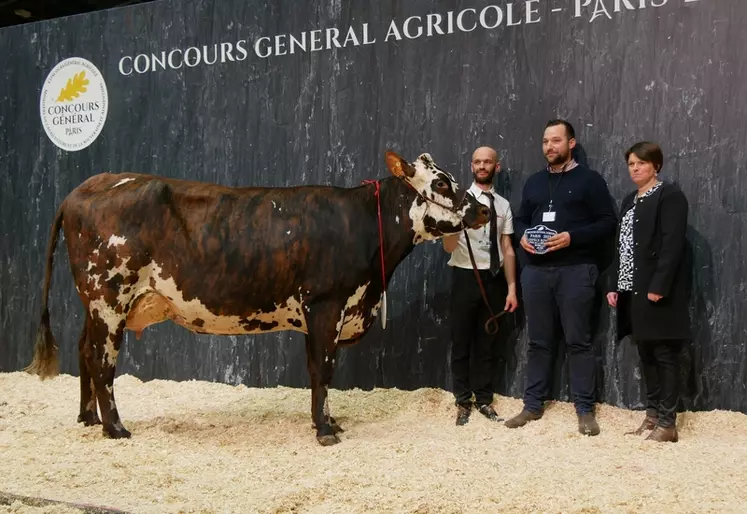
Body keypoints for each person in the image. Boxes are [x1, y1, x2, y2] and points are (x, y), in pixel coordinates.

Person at [505, 119, 616, 435]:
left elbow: (608, 222)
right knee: (538, 343)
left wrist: (573, 237)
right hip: (536, 273)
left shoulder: (590, 180)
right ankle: (532, 405)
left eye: (555, 141)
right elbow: (522, 219)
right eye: (544, 141)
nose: (549, 147)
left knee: (578, 342)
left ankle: (584, 409)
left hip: (577, 271)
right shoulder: (534, 182)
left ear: (571, 143)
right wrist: (523, 235)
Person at [606, 141, 690, 443]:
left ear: (656, 165)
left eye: (641, 163)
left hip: (656, 291)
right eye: (630, 164)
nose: (635, 168)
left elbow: (672, 246)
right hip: (632, 290)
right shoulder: (630, 199)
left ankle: (668, 423)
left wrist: (659, 286)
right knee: (645, 353)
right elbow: (622, 247)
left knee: (664, 353)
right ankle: (653, 414)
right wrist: (615, 284)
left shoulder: (670, 196)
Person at [442, 146, 519, 426]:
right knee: (461, 341)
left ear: (496, 167)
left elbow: (507, 248)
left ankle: (484, 399)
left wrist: (511, 288)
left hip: (494, 279)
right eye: (477, 161)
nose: (482, 166)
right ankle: (463, 401)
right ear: (471, 166)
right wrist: (455, 224)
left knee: (487, 343)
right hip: (464, 276)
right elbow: (448, 247)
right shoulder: (459, 202)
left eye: (487, 162)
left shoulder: (503, 205)